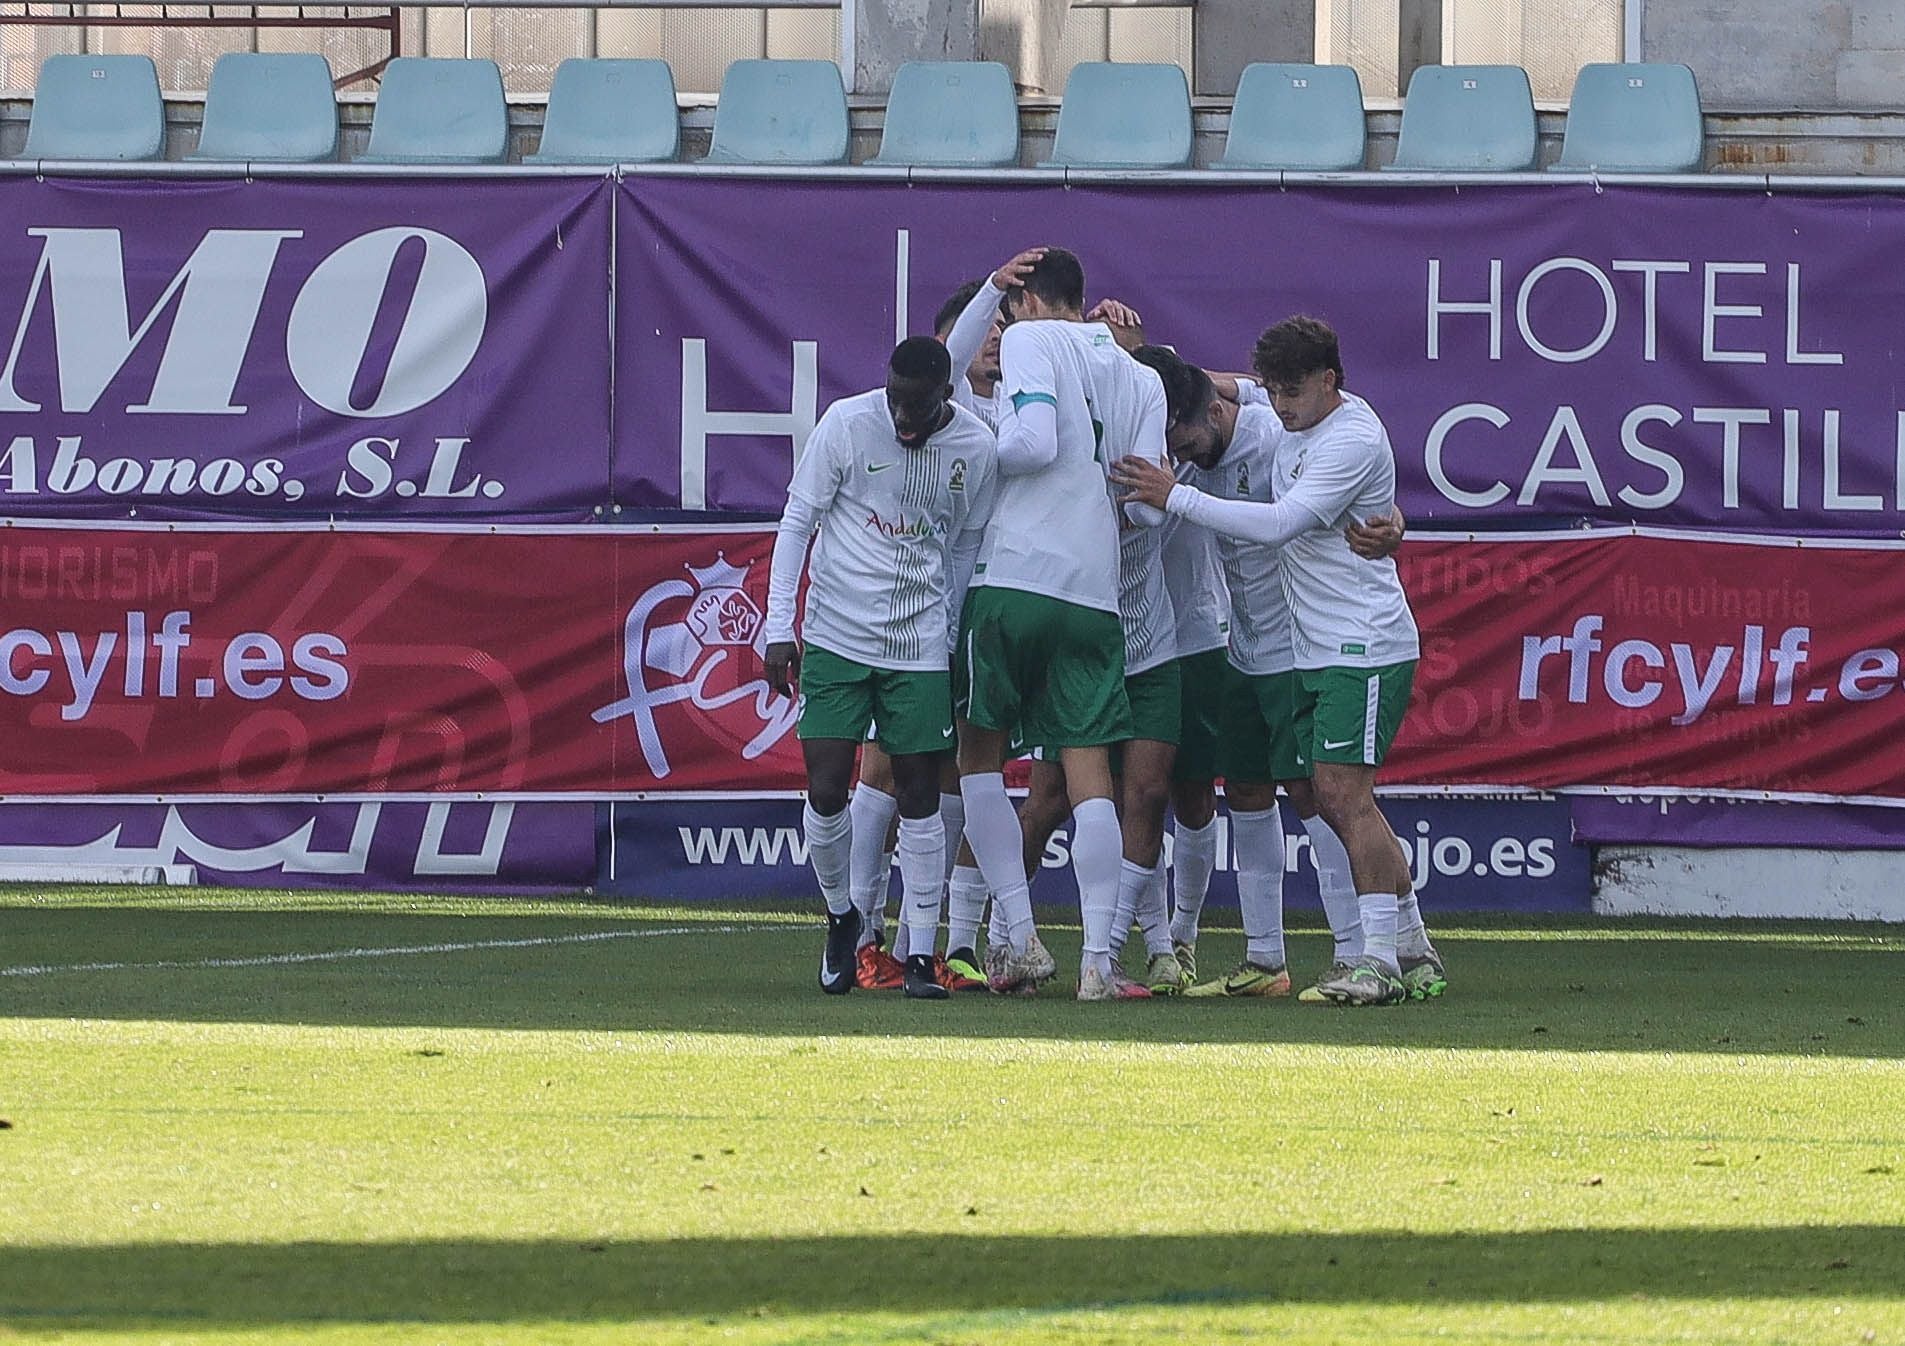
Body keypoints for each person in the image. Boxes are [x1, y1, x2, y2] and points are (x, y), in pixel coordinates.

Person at [1114, 318, 1445, 1006]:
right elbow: (1209, 379)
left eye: (1294, 390)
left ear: (1327, 381)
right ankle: (1327, 954)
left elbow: (1282, 521)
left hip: (1339, 643)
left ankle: (1369, 951)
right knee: (1273, 794)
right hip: (1255, 644)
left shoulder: (1319, 436)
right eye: (1274, 390)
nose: (1283, 403)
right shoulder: (1268, 409)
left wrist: (1172, 495)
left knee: (1330, 798)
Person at [953, 246, 1171, 1001]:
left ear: (1030, 301)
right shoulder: (1139, 374)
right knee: (1090, 780)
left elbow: (1032, 442)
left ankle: (1014, 937)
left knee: (978, 757)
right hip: (1095, 592)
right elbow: (1144, 503)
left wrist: (974, 444)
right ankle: (1097, 966)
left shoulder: (1027, 338)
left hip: (1014, 577)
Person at [764, 336, 997, 1000]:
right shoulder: (846, 423)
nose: (901, 417)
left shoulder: (975, 449)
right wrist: (778, 627)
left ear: (946, 397)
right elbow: (797, 522)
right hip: (837, 635)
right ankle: (843, 916)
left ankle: (919, 953)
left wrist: (950, 642)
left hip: (918, 643)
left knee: (921, 796)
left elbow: (964, 548)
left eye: (916, 404)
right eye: (894, 398)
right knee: (827, 787)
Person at [845, 274, 1016, 992]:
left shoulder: (1020, 407)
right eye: (987, 332)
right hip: (922, 610)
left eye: (1008, 331)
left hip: (997, 607)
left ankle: (952, 940)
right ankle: (860, 928)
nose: (997, 341)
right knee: (885, 764)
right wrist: (991, 288)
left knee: (960, 773)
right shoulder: (951, 408)